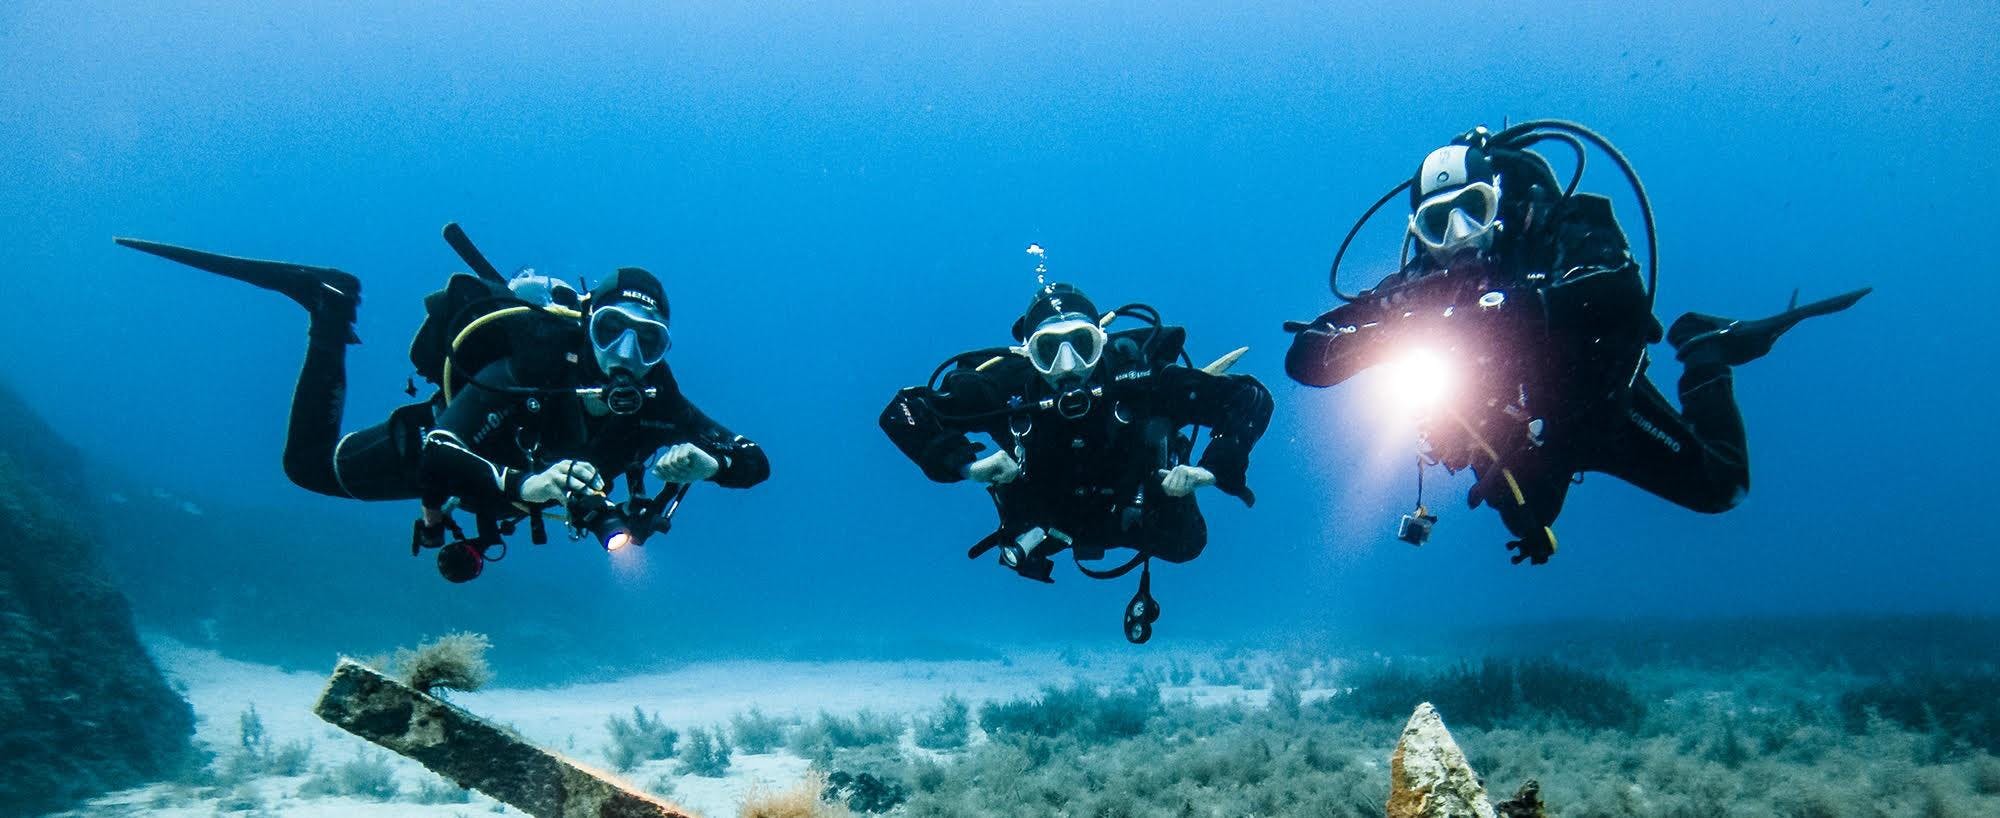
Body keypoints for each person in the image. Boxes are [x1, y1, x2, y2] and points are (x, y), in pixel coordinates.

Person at [1282, 121, 1868, 565]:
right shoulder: (1414, 290)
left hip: (1600, 406)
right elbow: (1304, 358)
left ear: (1501, 203)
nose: (1459, 236)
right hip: (1527, 443)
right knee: (1525, 519)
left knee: (1724, 490)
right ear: (1419, 235)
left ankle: (1706, 349)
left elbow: (1619, 292)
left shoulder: (1560, 230)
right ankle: (1534, 515)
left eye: (1473, 211)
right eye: (1439, 224)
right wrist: (1373, 337)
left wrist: (1503, 311)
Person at [116, 234, 769, 581]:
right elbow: (441, 450)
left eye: (648, 342)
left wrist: (710, 466)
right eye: (611, 332)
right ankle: (329, 306)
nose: (627, 355)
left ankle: (329, 307)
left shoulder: (659, 398)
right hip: (445, 458)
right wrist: (526, 482)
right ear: (586, 324)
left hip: (495, 496)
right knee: (307, 467)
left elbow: (753, 460)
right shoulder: (532, 364)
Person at [881, 282, 1273, 642]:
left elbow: (1249, 398)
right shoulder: (1006, 388)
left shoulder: (1139, 379)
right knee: (1020, 552)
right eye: (1048, 351)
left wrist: (1213, 466)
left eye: (1081, 345)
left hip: (1140, 506)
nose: (1068, 367)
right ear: (1028, 354)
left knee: (1188, 545)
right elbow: (902, 412)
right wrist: (968, 466)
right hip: (1051, 522)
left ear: (1100, 342)